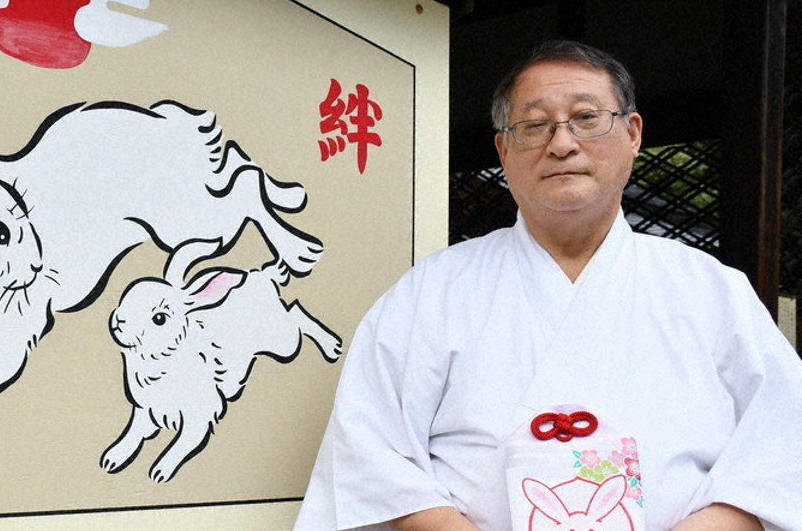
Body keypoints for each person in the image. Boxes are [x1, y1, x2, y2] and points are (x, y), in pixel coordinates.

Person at [294, 40, 802, 531]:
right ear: (503, 149)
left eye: (586, 117)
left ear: (633, 134)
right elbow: (367, 448)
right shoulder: (432, 291)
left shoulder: (711, 290)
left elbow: (784, 442)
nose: (562, 143)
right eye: (534, 125)